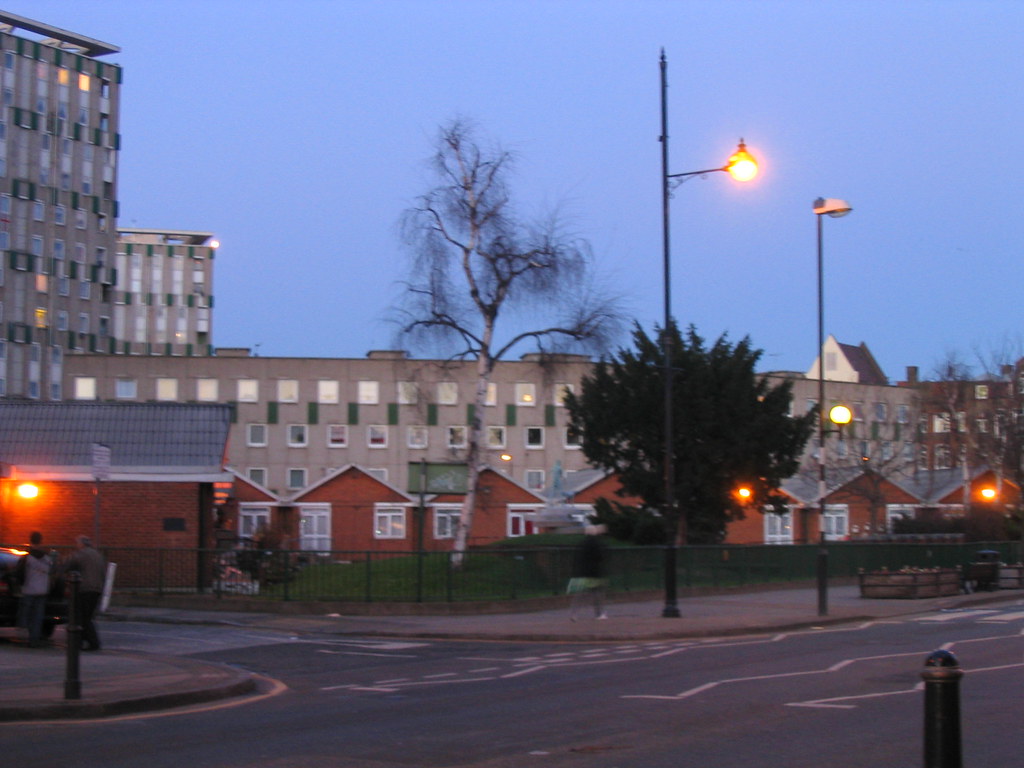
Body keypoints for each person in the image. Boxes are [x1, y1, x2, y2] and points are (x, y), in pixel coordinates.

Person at [65, 535, 106, 651]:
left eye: (77, 543)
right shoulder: (98, 555)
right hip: (96, 588)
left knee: (83, 617)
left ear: (82, 544)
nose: (76, 546)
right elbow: (103, 572)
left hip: (85, 588)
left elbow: (69, 564)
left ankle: (92, 642)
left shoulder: (81, 554)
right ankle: (84, 640)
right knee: (87, 616)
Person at [16, 531, 53, 647]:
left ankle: (22, 628)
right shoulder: (47, 558)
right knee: (38, 616)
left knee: (26, 612)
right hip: (42, 590)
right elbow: (52, 571)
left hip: (29, 588)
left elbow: (19, 573)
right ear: (41, 541)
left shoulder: (27, 557)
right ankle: (34, 638)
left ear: (30, 540)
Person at [568, 524, 609, 621]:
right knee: (598, 594)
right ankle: (599, 614)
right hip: (595, 572)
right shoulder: (596, 543)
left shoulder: (582, 543)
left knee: (581, 594)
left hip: (583, 572)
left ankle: (574, 613)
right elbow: (600, 557)